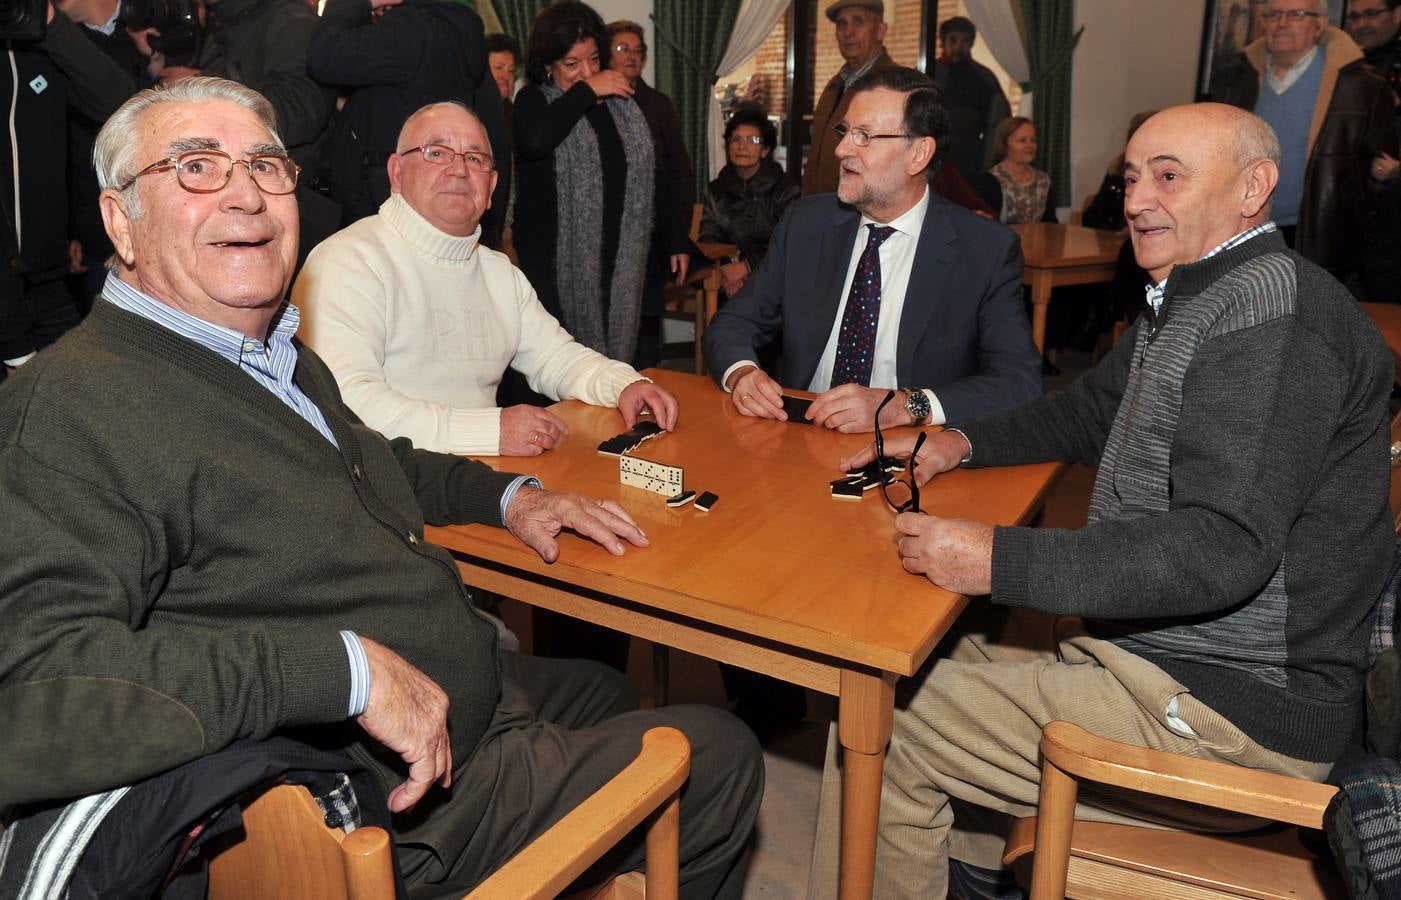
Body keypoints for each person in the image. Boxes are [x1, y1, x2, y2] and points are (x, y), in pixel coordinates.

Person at [0, 77, 762, 899]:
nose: (248, 195)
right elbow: (36, 698)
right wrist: (344, 672)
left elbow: (369, 453)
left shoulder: (268, 352)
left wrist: (510, 499)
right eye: (196, 167)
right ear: (121, 220)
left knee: (606, 685)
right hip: (386, 801)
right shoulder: (72, 407)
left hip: (447, 683)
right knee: (717, 754)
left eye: (265, 164)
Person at [810, 102, 1394, 899]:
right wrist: (959, 441)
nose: (1137, 199)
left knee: (882, 726)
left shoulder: (1269, 322)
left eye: (1168, 177)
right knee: (906, 654)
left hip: (1235, 714)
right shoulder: (1200, 288)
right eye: (1129, 177)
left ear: (1253, 187)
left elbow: (1220, 547)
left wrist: (996, 556)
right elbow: (1089, 409)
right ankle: (973, 873)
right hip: (1169, 656)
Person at [295, 101, 679, 458]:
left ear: (492, 189)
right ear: (396, 173)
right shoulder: (346, 262)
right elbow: (348, 405)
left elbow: (557, 358)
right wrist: (492, 430)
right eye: (437, 152)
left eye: (475, 158)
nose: (459, 170)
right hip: (384, 488)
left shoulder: (499, 273)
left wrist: (623, 384)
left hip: (483, 478)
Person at [704, 65, 1042, 433]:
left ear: (919, 154)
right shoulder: (806, 224)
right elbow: (734, 322)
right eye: (845, 131)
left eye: (864, 136)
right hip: (802, 438)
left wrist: (905, 406)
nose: (841, 149)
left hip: (912, 447)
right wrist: (743, 373)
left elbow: (1018, 381)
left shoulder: (985, 249)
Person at [512, 2, 687, 367]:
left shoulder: (622, 106)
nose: (587, 72)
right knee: (560, 367)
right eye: (572, 65)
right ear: (548, 64)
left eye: (593, 60)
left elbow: (651, 174)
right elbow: (535, 141)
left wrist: (676, 237)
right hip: (556, 264)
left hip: (620, 256)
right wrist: (586, 91)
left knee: (621, 361)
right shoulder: (534, 100)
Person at [1214, 0, 1396, 285]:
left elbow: (1384, 168)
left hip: (1319, 238)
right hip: (1242, 233)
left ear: (1319, 26)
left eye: (1296, 14)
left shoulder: (1360, 86)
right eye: (1274, 14)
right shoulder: (1237, 79)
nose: (1282, 22)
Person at [0, 1, 134, 383]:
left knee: (88, 406)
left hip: (47, 281)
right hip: (6, 302)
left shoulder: (40, 46)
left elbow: (120, 109)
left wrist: (50, 24)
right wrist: (16, 349)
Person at [306, 0, 510, 241]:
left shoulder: (414, 27)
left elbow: (326, 55)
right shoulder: (453, 28)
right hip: (417, 188)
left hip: (390, 195)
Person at [604, 18, 694, 368]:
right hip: (606, 235)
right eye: (623, 48)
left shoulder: (657, 103)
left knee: (645, 322)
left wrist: (678, 237)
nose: (632, 56)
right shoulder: (592, 100)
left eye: (638, 50)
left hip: (651, 233)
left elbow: (677, 173)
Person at [698, 104, 800, 298]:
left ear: (765, 149)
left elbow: (790, 245)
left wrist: (746, 267)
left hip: (772, 280)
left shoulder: (785, 189)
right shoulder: (716, 189)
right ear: (728, 146)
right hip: (724, 279)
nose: (742, 146)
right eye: (736, 139)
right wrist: (728, 271)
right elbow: (708, 239)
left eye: (752, 140)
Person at [802, 0, 895, 196]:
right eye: (841, 24)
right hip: (822, 207)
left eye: (858, 22)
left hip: (861, 210)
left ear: (880, 30)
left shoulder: (893, 87)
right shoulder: (834, 85)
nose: (848, 32)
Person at [930, 16, 1010, 186]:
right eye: (953, 39)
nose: (959, 46)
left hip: (970, 163)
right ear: (943, 41)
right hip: (930, 157)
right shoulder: (927, 72)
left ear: (972, 43)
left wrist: (987, 165)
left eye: (965, 40)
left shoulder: (984, 78)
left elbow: (997, 126)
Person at [974, 116, 1056, 225]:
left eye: (1033, 140)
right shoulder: (990, 180)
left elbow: (1051, 225)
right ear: (1005, 144)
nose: (1030, 146)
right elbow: (983, 224)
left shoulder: (1043, 180)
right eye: (1022, 141)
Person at [1346, 0, 1401, 97]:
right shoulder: (1347, 60)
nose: (1361, 24)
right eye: (1355, 17)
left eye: (1370, 14)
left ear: (1397, 15)